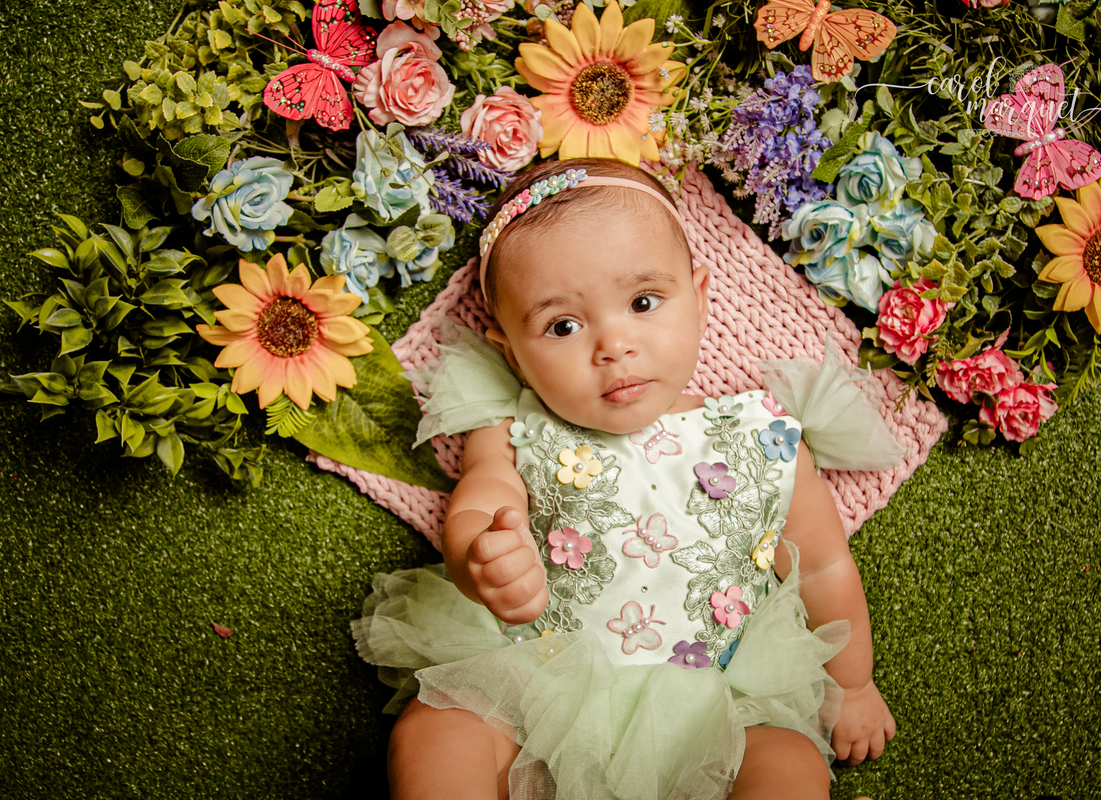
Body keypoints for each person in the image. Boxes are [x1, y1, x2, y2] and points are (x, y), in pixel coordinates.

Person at [352, 157, 904, 800]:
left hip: (718, 703)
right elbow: (480, 503)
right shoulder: (513, 428)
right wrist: (482, 556)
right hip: (537, 683)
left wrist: (853, 684)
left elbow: (824, 567)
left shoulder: (768, 436)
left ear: (699, 296)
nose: (613, 345)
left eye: (643, 302)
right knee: (437, 729)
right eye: (562, 326)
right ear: (512, 352)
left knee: (788, 765)